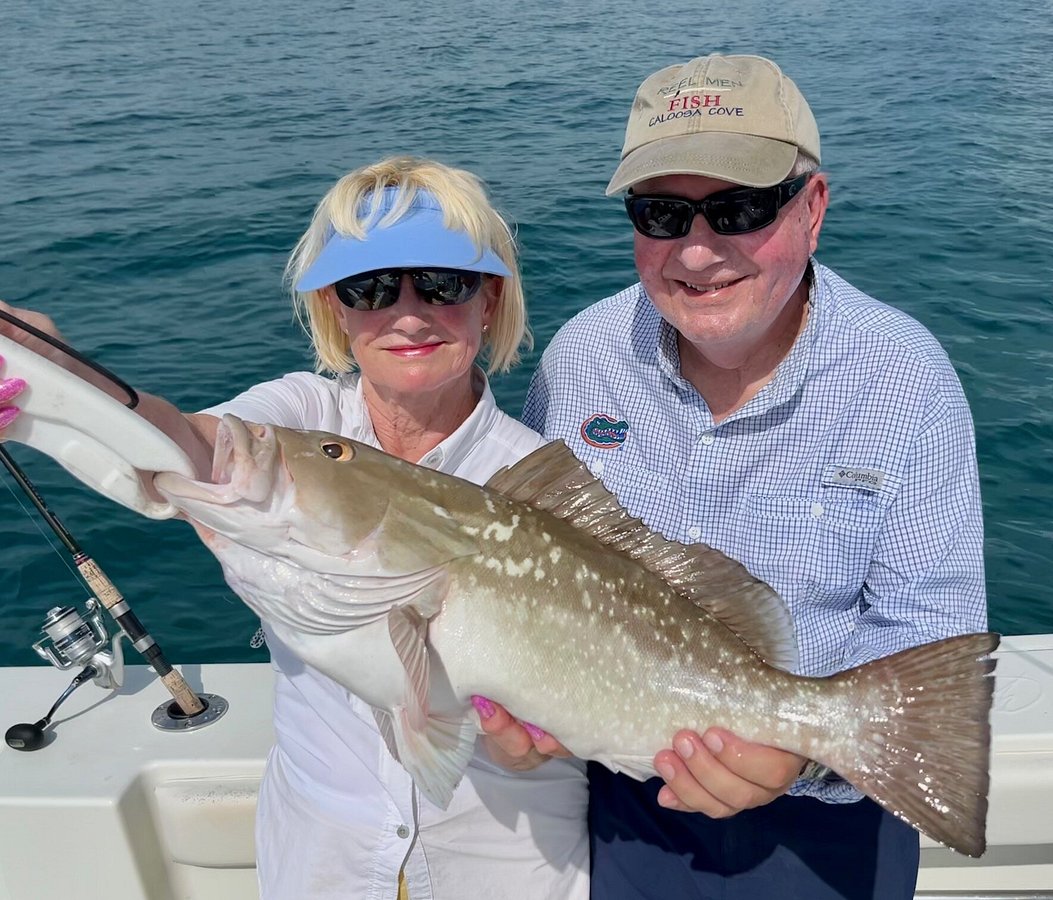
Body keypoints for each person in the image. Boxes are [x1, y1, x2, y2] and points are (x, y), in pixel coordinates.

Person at [0, 156, 587, 900]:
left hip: (511, 864)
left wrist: (560, 742)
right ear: (337, 310)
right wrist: (58, 375)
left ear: (490, 299)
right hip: (320, 860)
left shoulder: (543, 481)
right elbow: (187, 444)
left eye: (443, 283)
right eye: (368, 288)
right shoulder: (302, 422)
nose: (407, 314)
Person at [520, 54, 988, 899]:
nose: (697, 252)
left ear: (813, 208)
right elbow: (529, 560)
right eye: (661, 213)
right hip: (624, 806)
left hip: (831, 826)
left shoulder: (905, 377)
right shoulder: (582, 357)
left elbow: (929, 633)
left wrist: (797, 753)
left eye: (737, 208)